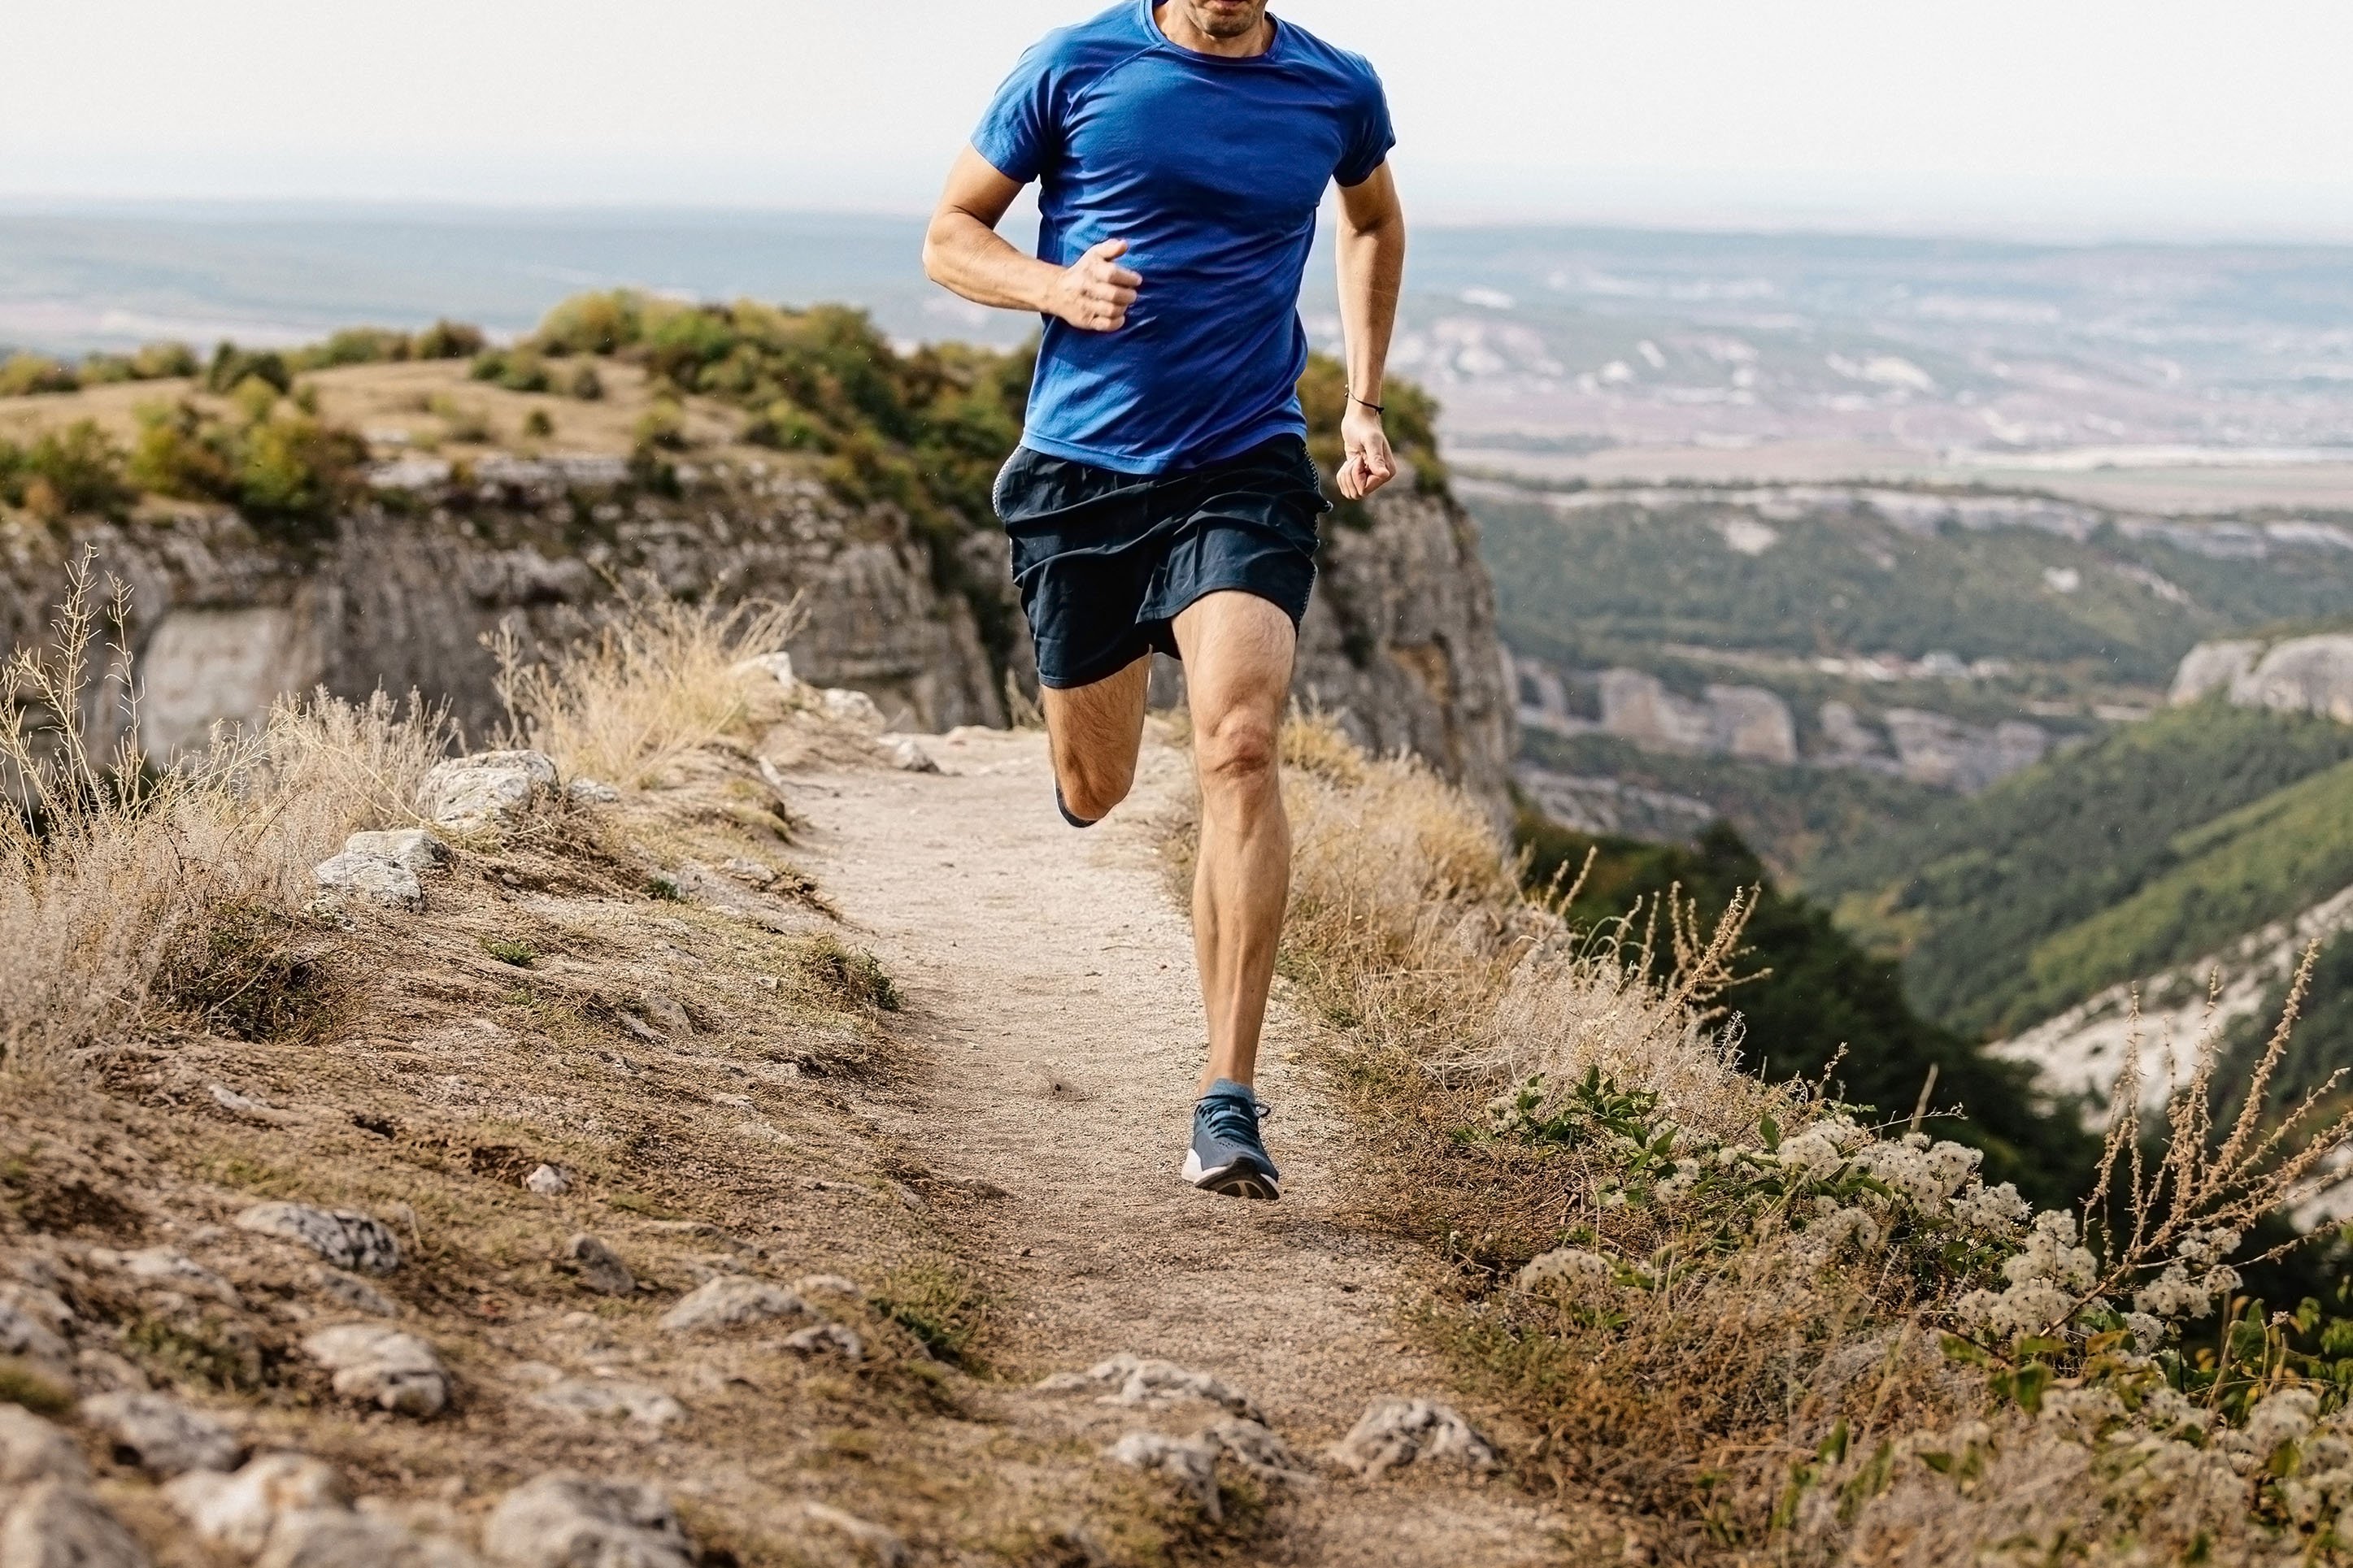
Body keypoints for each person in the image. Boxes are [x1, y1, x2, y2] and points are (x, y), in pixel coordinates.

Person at [922, 0, 1405, 1201]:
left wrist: (1361, 399)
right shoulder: (1077, 64)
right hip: (1080, 474)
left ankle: (1226, 1100)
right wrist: (1051, 286)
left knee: (1239, 742)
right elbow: (948, 235)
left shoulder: (1334, 87)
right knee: (1101, 783)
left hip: (1242, 463)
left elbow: (1373, 219)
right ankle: (1091, 738)